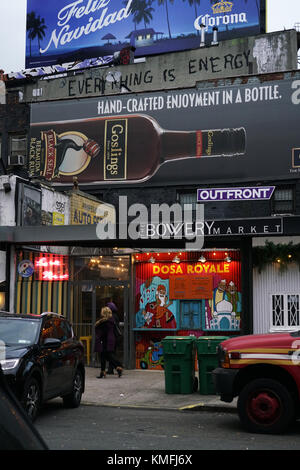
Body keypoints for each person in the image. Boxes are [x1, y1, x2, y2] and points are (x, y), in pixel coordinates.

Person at [94, 306, 123, 378]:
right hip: (111, 340)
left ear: (103, 313)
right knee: (105, 355)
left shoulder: (104, 322)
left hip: (105, 340)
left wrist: (98, 338)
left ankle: (118, 366)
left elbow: (102, 333)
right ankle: (112, 369)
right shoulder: (111, 321)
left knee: (106, 355)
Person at [106, 302, 121, 375]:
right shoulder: (116, 316)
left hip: (112, 337)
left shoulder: (111, 316)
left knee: (110, 353)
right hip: (115, 337)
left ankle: (118, 365)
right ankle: (111, 369)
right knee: (112, 353)